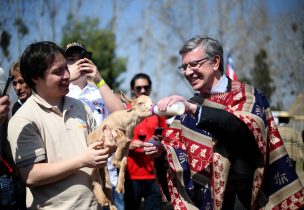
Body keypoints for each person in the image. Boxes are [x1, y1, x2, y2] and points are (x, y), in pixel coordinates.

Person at [150, 35, 304, 209]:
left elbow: (242, 129)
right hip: (207, 201)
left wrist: (194, 110)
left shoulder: (249, 96)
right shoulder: (190, 106)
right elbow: (176, 149)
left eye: (193, 64)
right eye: (184, 67)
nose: (187, 72)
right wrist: (160, 151)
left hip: (250, 199)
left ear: (215, 62)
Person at [7, 41, 117, 209]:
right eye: (58, 72)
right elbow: (31, 175)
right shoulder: (24, 119)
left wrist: (108, 147)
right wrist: (82, 160)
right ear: (35, 77)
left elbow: (94, 150)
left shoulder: (81, 107)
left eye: (66, 68)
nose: (67, 75)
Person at [65, 41, 125, 210]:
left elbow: (121, 115)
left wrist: (99, 79)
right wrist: (68, 77)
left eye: (82, 58)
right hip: (76, 174)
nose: (79, 63)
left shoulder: (99, 90)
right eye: (71, 59)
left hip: (106, 174)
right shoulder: (61, 91)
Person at [124, 73, 168, 210]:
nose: (142, 90)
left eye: (146, 87)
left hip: (153, 174)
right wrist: (129, 144)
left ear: (150, 89)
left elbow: (166, 136)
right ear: (132, 90)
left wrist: (159, 141)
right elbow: (115, 138)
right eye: (139, 88)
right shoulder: (125, 110)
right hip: (131, 174)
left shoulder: (156, 111)